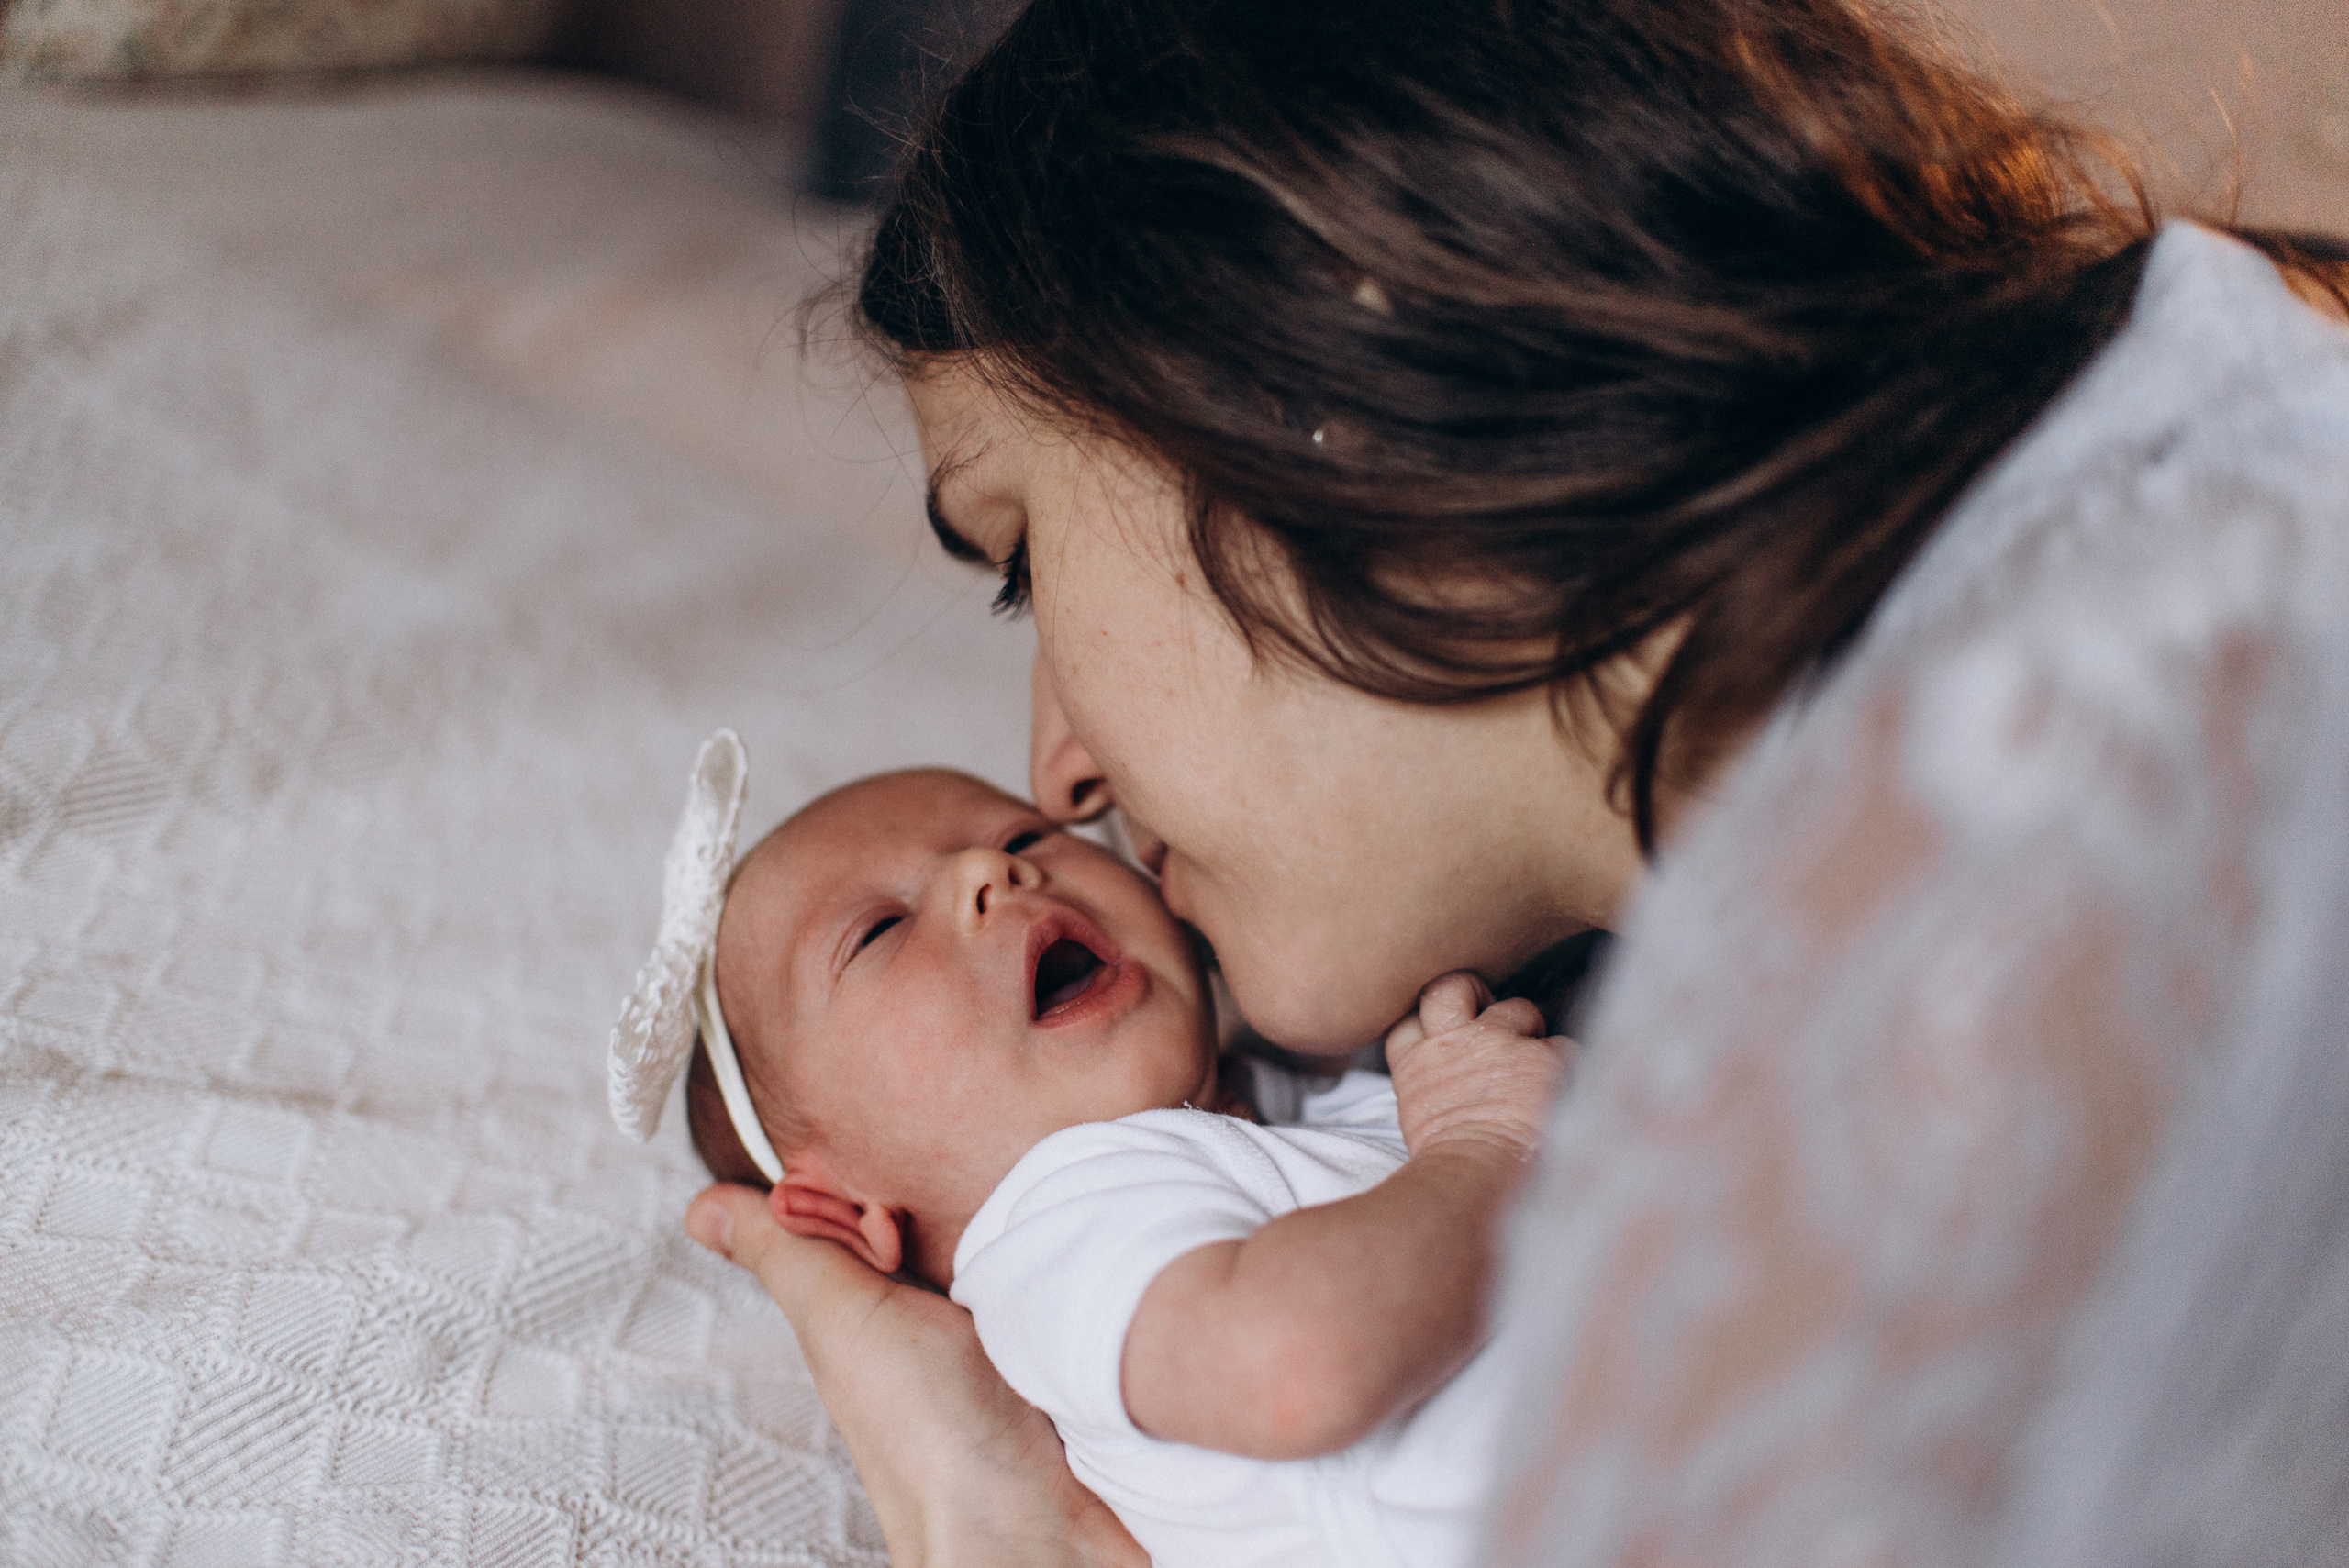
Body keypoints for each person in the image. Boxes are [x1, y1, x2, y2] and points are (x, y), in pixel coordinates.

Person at [675, 0, 2349, 1562]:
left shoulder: (2079, 856)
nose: (1063, 771)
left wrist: (996, 1525)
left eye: (1023, 556)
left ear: (1270, 351)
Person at [631, 762, 1563, 1566]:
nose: (987, 867)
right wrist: (1485, 1139)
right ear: (844, 1210)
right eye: (878, 930)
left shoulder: (1310, 1085)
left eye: (1024, 830)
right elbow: (1293, 1365)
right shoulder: (1055, 1226)